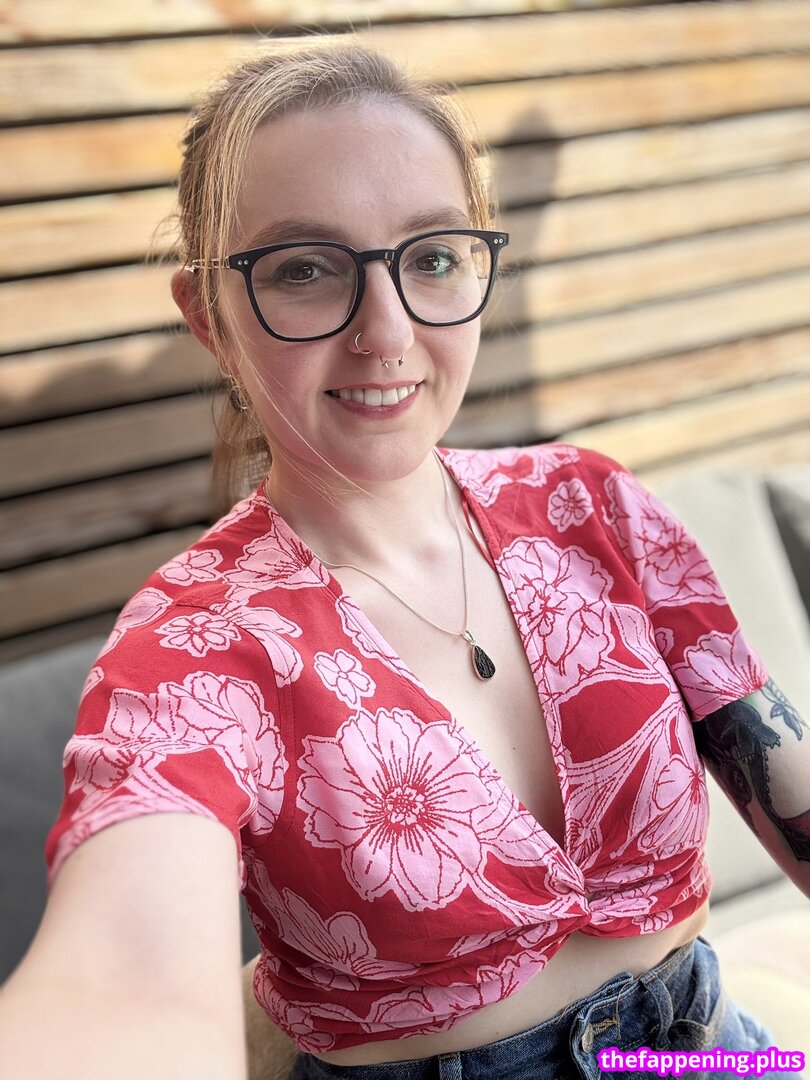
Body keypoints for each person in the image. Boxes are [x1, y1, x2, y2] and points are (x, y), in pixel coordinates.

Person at [1, 42, 808, 1080]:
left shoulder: (590, 505)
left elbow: (783, 774)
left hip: (708, 1052)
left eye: (430, 258)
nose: (386, 334)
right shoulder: (194, 648)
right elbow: (124, 979)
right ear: (208, 318)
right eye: (305, 270)